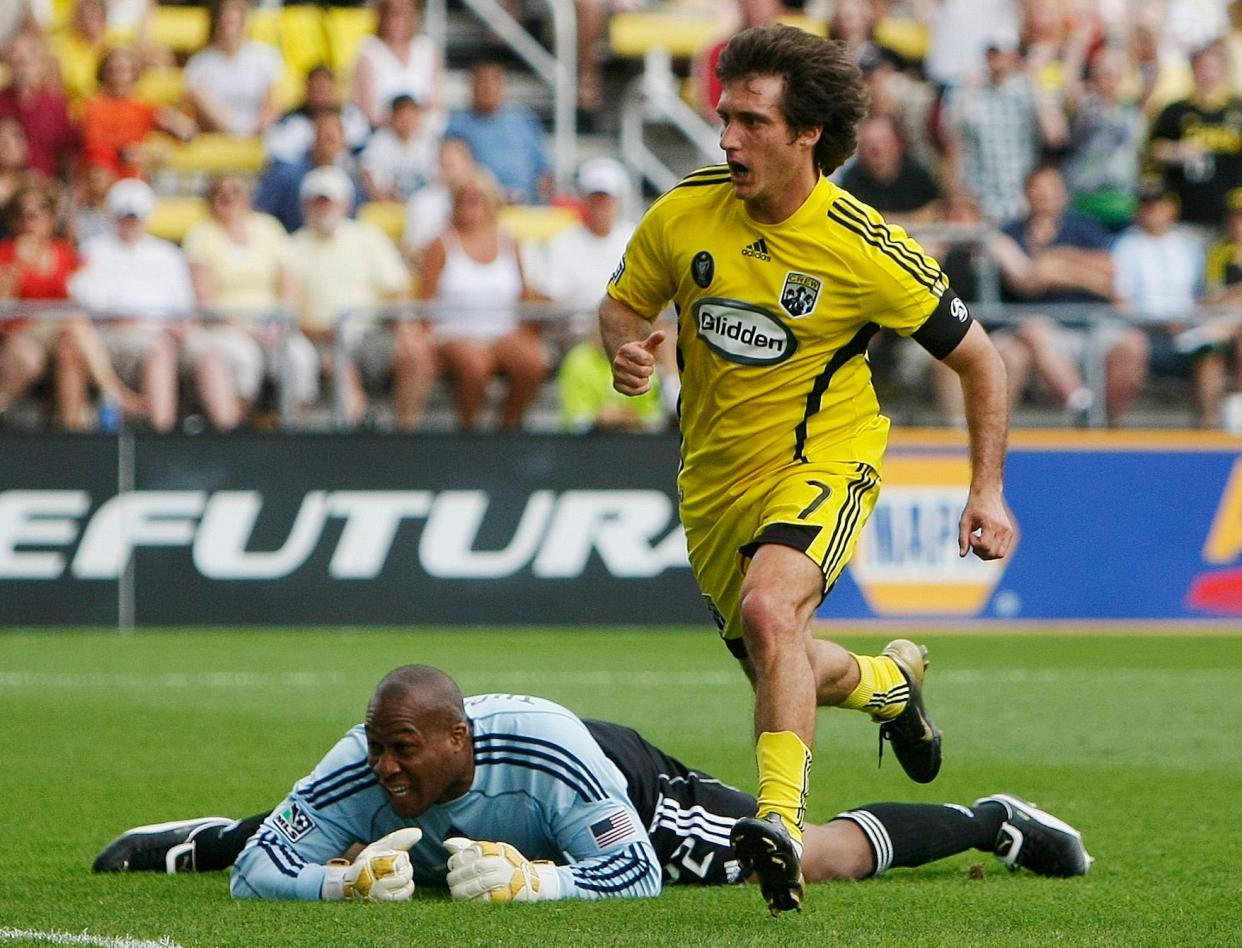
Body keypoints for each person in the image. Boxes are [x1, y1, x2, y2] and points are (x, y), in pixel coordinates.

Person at [600, 25, 1013, 916]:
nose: (728, 140)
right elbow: (621, 305)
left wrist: (985, 488)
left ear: (807, 134)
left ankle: (778, 822)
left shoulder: (865, 246)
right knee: (776, 660)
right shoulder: (684, 210)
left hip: (826, 455)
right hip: (712, 480)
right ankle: (888, 685)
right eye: (725, 117)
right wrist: (628, 355)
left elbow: (983, 360)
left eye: (751, 122)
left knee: (768, 609)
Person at [92, 664, 1093, 902]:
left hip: (633, 792)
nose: (386, 762)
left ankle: (982, 821)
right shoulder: (372, 757)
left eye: (405, 748)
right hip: (480, 823)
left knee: (799, 857)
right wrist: (331, 881)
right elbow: (262, 875)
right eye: (378, 748)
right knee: (364, 828)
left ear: (456, 735)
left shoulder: (548, 749)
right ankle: (200, 831)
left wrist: (540, 883)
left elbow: (635, 878)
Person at [286, 165, 431, 430]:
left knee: (416, 351)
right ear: (306, 206)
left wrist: (404, 329)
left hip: (372, 334)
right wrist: (324, 332)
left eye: (328, 201)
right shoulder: (292, 247)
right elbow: (289, 311)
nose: (323, 208)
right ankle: (359, 429)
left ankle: (406, 432)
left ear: (344, 204)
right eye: (317, 202)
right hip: (321, 340)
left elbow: (396, 290)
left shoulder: (368, 237)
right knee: (340, 358)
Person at [0, 182, 145, 430]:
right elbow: (5, 308)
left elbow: (86, 293)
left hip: (58, 336)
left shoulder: (64, 253)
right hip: (19, 332)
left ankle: (71, 430)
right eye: (23, 213)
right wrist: (17, 268)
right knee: (69, 323)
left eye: (38, 211)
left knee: (70, 351)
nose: (30, 219)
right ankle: (114, 393)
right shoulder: (5, 253)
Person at [419, 167, 546, 430]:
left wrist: (522, 337)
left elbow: (524, 300)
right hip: (452, 331)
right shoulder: (441, 243)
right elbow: (426, 302)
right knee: (475, 365)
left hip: (502, 330)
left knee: (532, 361)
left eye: (478, 197)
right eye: (465, 197)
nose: (471, 202)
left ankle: (509, 426)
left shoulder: (510, 243)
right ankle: (470, 430)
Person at [182, 174, 313, 429]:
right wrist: (245, 327)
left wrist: (279, 319)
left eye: (235, 193)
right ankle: (240, 429)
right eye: (220, 194)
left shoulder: (268, 227)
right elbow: (204, 297)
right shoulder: (202, 235)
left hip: (270, 321)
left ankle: (292, 426)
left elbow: (287, 280)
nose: (228, 200)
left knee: (299, 357)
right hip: (224, 324)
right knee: (243, 360)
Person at [69, 178, 192, 432]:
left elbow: (184, 309)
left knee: (170, 349)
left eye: (135, 216)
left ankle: (160, 431)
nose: (130, 222)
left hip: (157, 336)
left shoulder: (167, 254)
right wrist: (146, 323)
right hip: (109, 337)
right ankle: (155, 427)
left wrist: (164, 327)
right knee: (158, 349)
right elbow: (94, 304)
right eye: (124, 215)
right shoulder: (92, 250)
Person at [1109, 178, 1219, 427]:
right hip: (1145, 332)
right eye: (1147, 205)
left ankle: (1209, 430)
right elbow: (1120, 300)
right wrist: (1157, 324)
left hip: (1186, 329)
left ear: (1172, 208)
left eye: (1159, 204)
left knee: (1210, 350)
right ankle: (1112, 427)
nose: (1153, 211)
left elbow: (1201, 295)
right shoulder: (1125, 246)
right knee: (1130, 347)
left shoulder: (1190, 247)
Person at [1148, 40, 1242, 232]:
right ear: (1193, 69)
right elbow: (1151, 151)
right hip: (1184, 216)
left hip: (1230, 221)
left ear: (1224, 70)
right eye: (1203, 66)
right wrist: (1175, 152)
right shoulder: (1175, 111)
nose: (1209, 73)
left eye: (1214, 66)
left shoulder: (1237, 109)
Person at [443, 61, 552, 205]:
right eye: (483, 81)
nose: (489, 87)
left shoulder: (523, 118)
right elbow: (455, 172)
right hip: (480, 206)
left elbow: (544, 169)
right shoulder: (457, 124)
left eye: (495, 80)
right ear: (471, 85)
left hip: (526, 204)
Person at [80, 45, 196, 179]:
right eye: (110, 71)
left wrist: (174, 124)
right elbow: (94, 143)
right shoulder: (92, 105)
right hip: (100, 175)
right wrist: (128, 152)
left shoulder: (144, 108)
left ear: (133, 74)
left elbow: (187, 133)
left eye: (122, 71)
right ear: (103, 74)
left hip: (134, 175)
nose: (116, 77)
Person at [183, 0, 283, 138]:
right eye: (223, 22)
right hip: (216, 132)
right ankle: (239, 133)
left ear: (243, 23)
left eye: (231, 22)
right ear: (215, 23)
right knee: (196, 92)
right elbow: (195, 112)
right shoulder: (199, 63)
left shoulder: (265, 56)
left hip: (257, 130)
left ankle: (242, 134)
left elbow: (271, 105)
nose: (227, 29)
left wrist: (261, 128)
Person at [351, 0, 443, 129]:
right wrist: (402, 123)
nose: (398, 17)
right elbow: (368, 111)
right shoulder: (369, 50)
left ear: (416, 13)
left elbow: (435, 104)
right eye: (393, 11)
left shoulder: (427, 48)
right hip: (380, 133)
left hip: (424, 133)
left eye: (405, 11)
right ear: (382, 13)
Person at [0, 30, 78, 180]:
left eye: (25, 63)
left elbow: (66, 150)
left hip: (45, 185)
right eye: (15, 63)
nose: (20, 70)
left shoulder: (55, 103)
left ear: (39, 64)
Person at [837, 113, 942, 223]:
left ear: (898, 144)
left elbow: (936, 211)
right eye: (868, 145)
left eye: (883, 143)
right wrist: (915, 218)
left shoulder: (919, 177)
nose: (877, 152)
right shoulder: (851, 181)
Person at [358, 93, 439, 203]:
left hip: (420, 202)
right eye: (402, 115)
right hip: (387, 203)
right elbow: (367, 172)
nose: (406, 121)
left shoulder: (427, 142)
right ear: (393, 117)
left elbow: (435, 178)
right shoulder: (379, 141)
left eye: (411, 115)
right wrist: (380, 197)